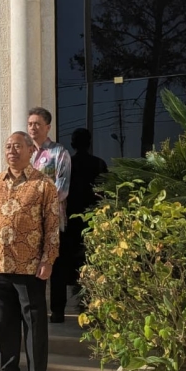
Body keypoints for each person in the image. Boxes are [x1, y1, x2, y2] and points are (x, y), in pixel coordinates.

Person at [0, 132, 60, 371]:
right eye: (8, 147)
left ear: (29, 150)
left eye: (17, 147)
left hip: (30, 267)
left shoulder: (43, 184)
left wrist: (48, 259)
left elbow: (52, 226)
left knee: (34, 325)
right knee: (4, 324)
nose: (11, 151)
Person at [51, 128, 108, 323]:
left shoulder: (66, 164)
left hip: (67, 223)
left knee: (59, 267)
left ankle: (57, 312)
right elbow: (104, 194)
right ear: (89, 143)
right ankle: (90, 310)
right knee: (90, 267)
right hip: (90, 223)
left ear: (73, 144)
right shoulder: (99, 164)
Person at [28, 107, 71, 228]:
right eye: (30, 124)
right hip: (28, 219)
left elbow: (62, 188)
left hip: (50, 217)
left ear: (48, 127)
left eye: (37, 124)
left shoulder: (58, 152)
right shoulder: (26, 153)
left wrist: (38, 203)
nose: (32, 127)